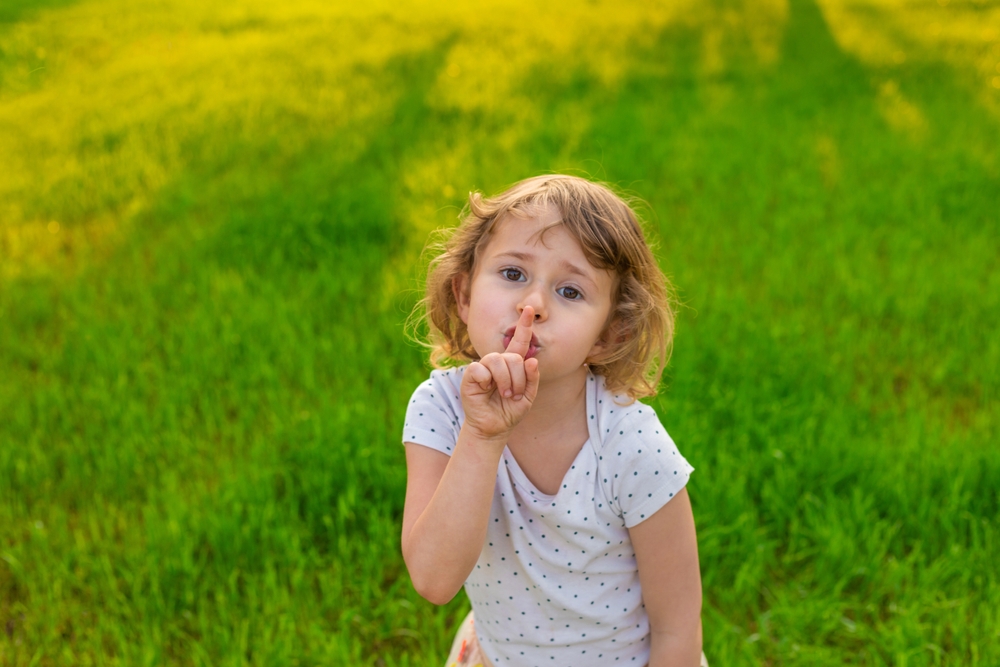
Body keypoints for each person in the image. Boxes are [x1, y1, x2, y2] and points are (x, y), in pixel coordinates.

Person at [401, 175, 705, 667]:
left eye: (569, 290)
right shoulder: (440, 409)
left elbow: (678, 628)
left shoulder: (630, 443)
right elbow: (435, 581)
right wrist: (481, 436)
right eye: (513, 274)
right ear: (463, 294)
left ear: (609, 335)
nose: (533, 305)